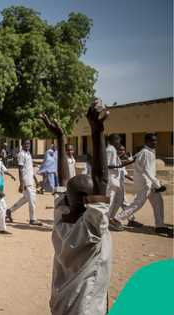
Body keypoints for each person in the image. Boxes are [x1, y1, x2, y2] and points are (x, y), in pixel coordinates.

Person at [45, 101, 112, 315]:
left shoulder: (61, 217)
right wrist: (97, 131)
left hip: (60, 304)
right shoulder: (91, 229)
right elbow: (101, 179)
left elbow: (64, 182)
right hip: (86, 307)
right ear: (88, 202)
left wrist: (60, 138)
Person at [116, 134, 172, 237]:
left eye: (156, 141)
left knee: (158, 202)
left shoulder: (144, 152)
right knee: (138, 203)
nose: (155, 143)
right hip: (146, 183)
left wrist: (126, 158)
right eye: (152, 141)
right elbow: (148, 171)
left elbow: (132, 160)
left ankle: (160, 226)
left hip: (147, 183)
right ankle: (117, 219)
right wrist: (158, 185)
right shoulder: (146, 153)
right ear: (146, 141)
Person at [6, 140, 43, 226]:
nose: (27, 145)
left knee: (25, 199)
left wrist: (36, 180)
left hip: (31, 180)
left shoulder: (28, 153)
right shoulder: (21, 154)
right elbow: (20, 169)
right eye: (25, 144)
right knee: (32, 200)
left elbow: (30, 168)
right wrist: (21, 183)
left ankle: (9, 211)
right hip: (26, 180)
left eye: (28, 144)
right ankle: (33, 219)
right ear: (22, 145)